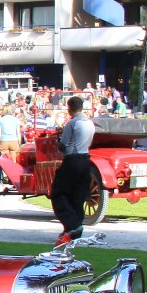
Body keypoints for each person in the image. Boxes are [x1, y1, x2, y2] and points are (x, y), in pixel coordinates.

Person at [49, 95, 94, 247]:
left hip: (73, 159)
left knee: (58, 192)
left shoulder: (72, 123)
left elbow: (63, 145)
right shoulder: (90, 123)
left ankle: (72, 224)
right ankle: (75, 227)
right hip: (85, 159)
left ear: (69, 108)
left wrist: (59, 144)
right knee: (78, 195)